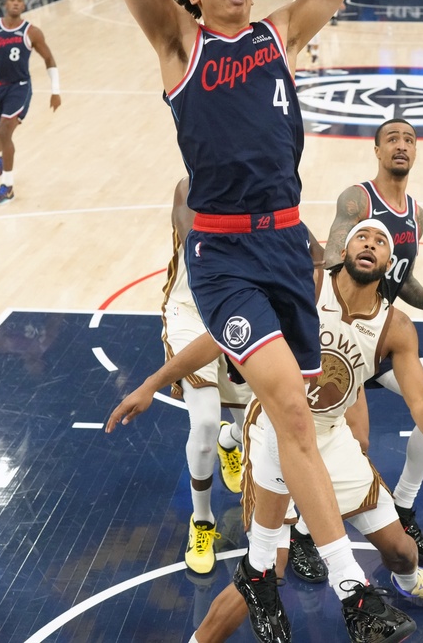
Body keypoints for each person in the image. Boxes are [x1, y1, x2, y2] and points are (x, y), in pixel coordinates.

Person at [109, 0, 414, 643]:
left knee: (289, 425)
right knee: (289, 412)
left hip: (285, 247)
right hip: (223, 258)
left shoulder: (280, 35)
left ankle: (260, 564)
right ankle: (353, 592)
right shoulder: (180, 44)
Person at [109, 221, 423, 643]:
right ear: (343, 252)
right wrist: (151, 383)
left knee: (402, 551)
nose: (370, 244)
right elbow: (223, 337)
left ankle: (409, 583)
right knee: (265, 572)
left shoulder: (396, 327)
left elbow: (421, 401)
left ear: (391, 264)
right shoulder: (306, 289)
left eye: (380, 242)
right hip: (274, 433)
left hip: (331, 438)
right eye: (362, 237)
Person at [279, 117, 423, 582]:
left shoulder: (416, 213)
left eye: (409, 140)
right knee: (346, 439)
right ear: (377, 150)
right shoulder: (357, 199)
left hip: (379, 338)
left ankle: (403, 505)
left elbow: (400, 277)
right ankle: (302, 531)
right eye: (392, 140)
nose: (401, 146)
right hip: (339, 336)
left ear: (416, 151)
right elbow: (338, 264)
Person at [161, 177, 251, 575]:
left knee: (254, 426)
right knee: (205, 423)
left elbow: (308, 252)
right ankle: (202, 520)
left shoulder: (264, 190)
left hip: (240, 314)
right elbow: (196, 239)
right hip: (190, 312)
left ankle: (230, 443)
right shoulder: (190, 187)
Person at [0, 0, 61, 205]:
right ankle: (2, 156)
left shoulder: (32, 32)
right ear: (5, 4)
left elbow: (49, 59)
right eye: (12, 0)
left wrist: (55, 91)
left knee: (5, 131)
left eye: (20, 0)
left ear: (24, 6)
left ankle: (7, 187)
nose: (16, 3)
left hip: (20, 88)